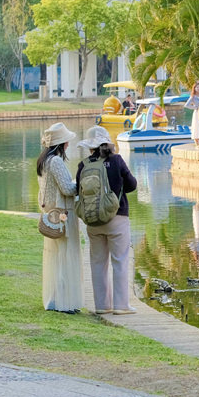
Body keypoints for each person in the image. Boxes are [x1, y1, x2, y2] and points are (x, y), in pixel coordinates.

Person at [76, 126, 138, 315]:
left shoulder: (84, 164)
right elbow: (132, 185)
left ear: (90, 147)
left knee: (97, 262)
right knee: (119, 261)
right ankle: (121, 305)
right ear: (107, 143)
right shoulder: (116, 160)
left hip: (93, 221)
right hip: (117, 217)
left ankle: (102, 305)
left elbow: (78, 189)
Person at [37, 123, 82, 314]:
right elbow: (67, 189)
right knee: (65, 254)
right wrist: (80, 182)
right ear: (60, 144)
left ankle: (55, 300)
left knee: (55, 256)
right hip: (63, 214)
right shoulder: (55, 161)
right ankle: (64, 303)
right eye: (66, 142)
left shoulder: (43, 161)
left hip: (51, 214)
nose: (68, 145)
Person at [184, 82, 199, 148]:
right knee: (196, 126)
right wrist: (195, 107)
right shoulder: (193, 97)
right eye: (197, 87)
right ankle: (196, 142)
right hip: (196, 113)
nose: (198, 89)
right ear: (194, 88)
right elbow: (186, 105)